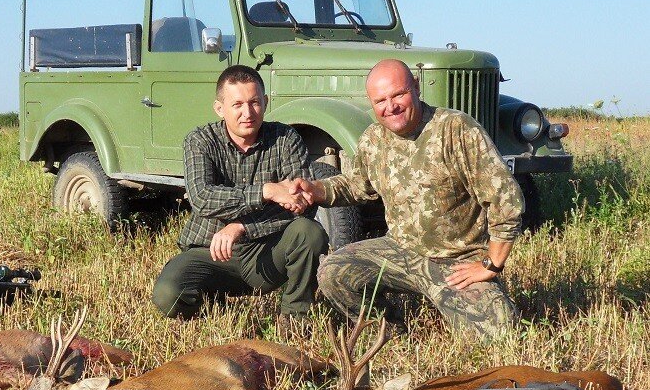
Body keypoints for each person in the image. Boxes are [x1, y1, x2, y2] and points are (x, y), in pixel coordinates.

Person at [295, 59, 524, 339]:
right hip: (400, 251)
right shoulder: (373, 138)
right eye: (380, 100)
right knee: (334, 272)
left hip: (456, 259)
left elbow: (506, 201)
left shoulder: (455, 129)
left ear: (415, 86)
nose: (390, 107)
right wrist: (313, 189)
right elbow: (358, 186)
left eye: (398, 94)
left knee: (500, 333)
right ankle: (389, 332)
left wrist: (491, 264)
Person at [152, 65, 328, 324]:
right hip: (210, 250)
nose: (248, 113)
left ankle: (295, 319)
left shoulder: (286, 139)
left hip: (268, 249)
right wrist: (267, 190)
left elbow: (301, 203)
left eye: (255, 102)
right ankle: (213, 307)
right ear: (219, 108)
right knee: (168, 295)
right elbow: (202, 197)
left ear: (265, 102)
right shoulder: (200, 140)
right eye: (237, 105)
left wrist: (242, 226)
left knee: (309, 232)